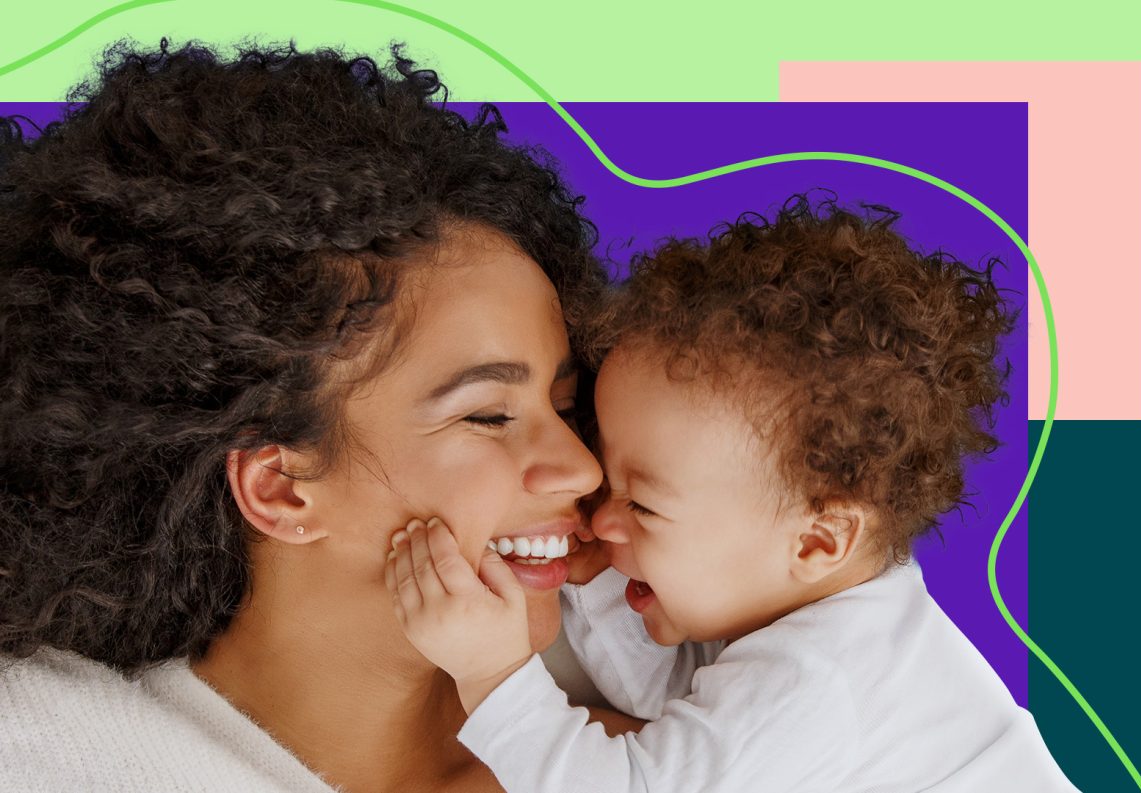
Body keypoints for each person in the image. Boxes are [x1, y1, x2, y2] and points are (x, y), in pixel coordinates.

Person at [0, 40, 619, 792]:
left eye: (562, 404)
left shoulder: (673, 758)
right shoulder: (44, 758)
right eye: (488, 415)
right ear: (280, 488)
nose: (583, 465)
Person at [384, 198, 1080, 791]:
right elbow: (684, 708)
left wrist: (492, 672)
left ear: (816, 539)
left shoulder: (824, 679)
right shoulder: (820, 606)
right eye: (612, 476)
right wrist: (597, 588)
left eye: (645, 505)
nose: (601, 513)